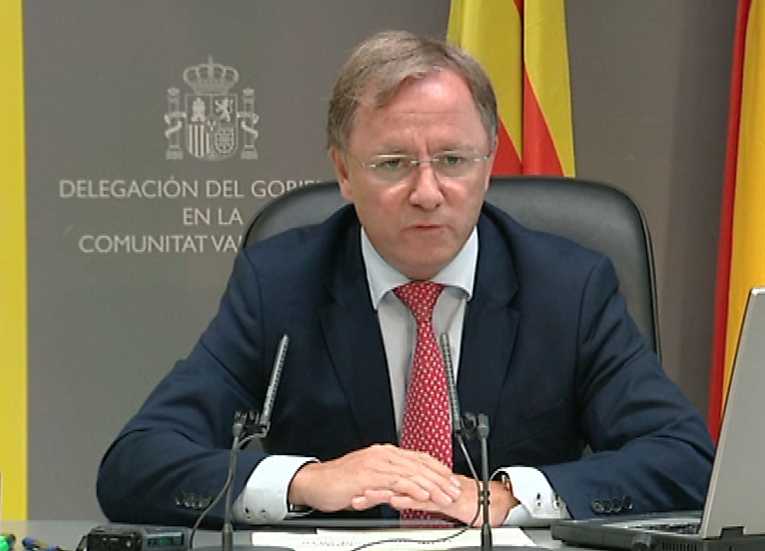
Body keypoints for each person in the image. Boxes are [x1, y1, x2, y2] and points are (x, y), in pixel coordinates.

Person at [96, 30, 714, 528]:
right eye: (393, 164)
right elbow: (136, 463)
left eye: (453, 160)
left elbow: (687, 460)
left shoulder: (567, 288)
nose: (427, 192)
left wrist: (510, 496)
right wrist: (305, 480)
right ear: (344, 172)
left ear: (488, 162)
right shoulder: (280, 284)